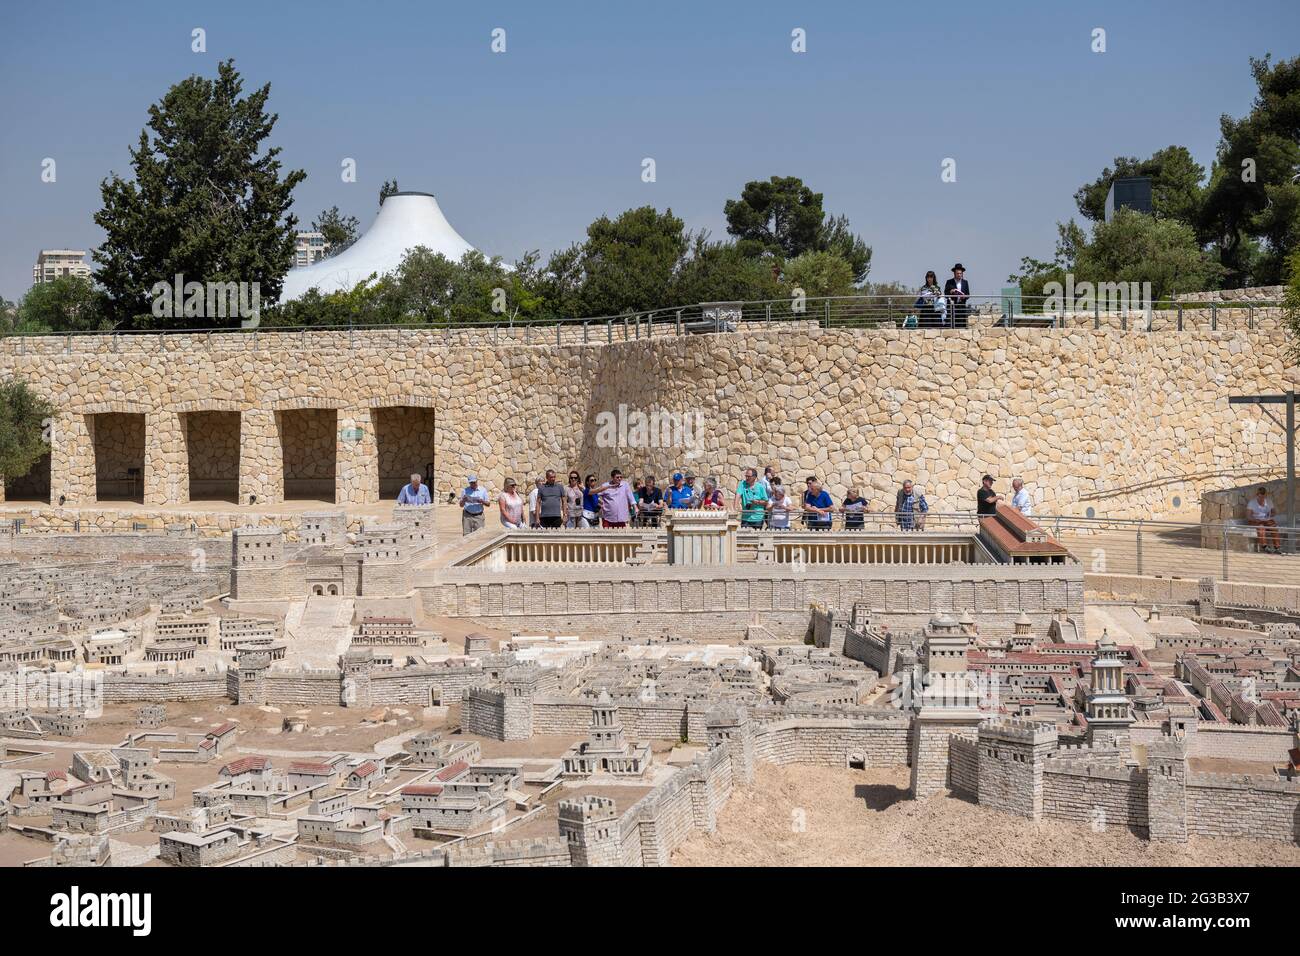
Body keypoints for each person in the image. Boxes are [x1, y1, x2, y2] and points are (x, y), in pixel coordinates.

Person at [1246, 485, 1283, 554]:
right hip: (1256, 520)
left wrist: (1271, 515)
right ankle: (1265, 547)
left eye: (1264, 497)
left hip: (1267, 520)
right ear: (1257, 495)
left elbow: (1274, 512)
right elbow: (1248, 516)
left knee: (1274, 528)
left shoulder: (1269, 501)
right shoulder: (1252, 502)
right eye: (1261, 497)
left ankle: (1277, 547)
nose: (1262, 498)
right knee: (1261, 528)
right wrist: (1255, 520)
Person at [943, 263, 971, 328]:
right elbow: (945, 294)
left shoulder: (965, 282)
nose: (959, 275)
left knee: (961, 324)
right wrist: (951, 291)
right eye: (957, 273)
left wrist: (964, 296)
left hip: (961, 306)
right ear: (954, 273)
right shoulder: (949, 282)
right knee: (951, 324)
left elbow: (968, 294)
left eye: (960, 273)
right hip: (952, 306)